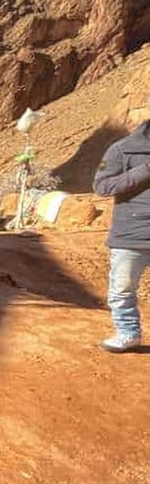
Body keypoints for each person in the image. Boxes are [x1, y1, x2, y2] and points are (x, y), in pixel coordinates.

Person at [93, 117, 150, 353]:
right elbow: (102, 187)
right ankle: (128, 332)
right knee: (122, 289)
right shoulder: (123, 149)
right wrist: (145, 170)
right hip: (131, 235)